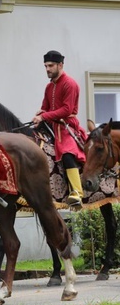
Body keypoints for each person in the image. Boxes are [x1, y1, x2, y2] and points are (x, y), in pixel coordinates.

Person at [31, 50, 88, 206]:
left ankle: (77, 192)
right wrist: (41, 113)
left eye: (50, 66)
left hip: (66, 127)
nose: (47, 69)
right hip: (51, 126)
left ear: (60, 65)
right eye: (45, 66)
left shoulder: (70, 84)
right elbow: (46, 107)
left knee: (67, 152)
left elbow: (66, 110)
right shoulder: (49, 87)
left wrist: (44, 116)